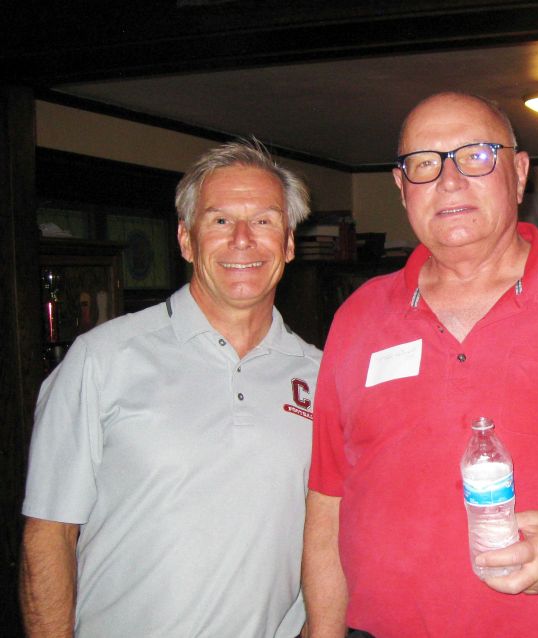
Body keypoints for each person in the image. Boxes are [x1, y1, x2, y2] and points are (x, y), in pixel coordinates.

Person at [302, 92, 538, 637]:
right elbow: (329, 495)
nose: (449, 181)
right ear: (402, 188)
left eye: (476, 155)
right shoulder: (358, 317)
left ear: (519, 174)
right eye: (424, 164)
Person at [20, 139, 322, 637]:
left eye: (265, 220)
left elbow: (329, 537)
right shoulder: (102, 359)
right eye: (220, 220)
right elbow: (49, 532)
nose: (243, 239)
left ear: (289, 243)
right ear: (186, 239)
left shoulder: (321, 375)